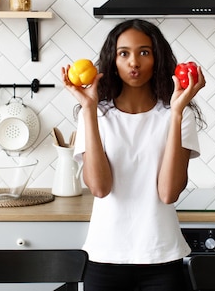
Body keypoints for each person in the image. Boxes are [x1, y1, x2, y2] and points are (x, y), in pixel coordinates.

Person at [61, 19, 206, 291]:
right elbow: (100, 188)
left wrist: (175, 113)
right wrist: (89, 109)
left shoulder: (178, 114)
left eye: (144, 52)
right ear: (113, 61)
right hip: (104, 256)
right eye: (124, 53)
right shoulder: (95, 114)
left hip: (162, 256)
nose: (134, 62)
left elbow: (168, 192)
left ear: (157, 59)